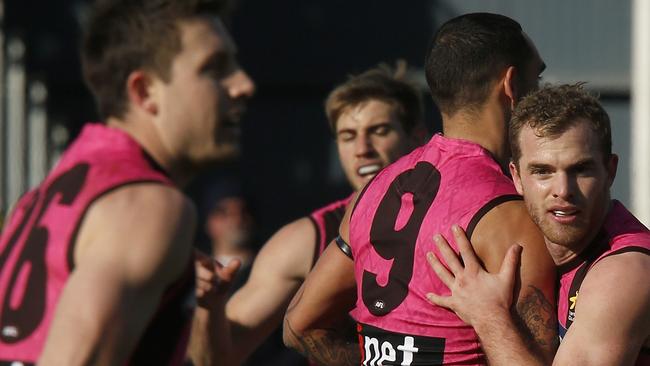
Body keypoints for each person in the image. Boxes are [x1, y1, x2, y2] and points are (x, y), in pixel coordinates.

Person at [283, 12, 557, 365]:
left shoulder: (373, 191)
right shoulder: (512, 216)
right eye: (539, 79)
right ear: (511, 86)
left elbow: (299, 326)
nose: (542, 94)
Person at [0, 0, 255, 364]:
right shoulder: (148, 204)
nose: (243, 84)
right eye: (214, 68)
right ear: (145, 91)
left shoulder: (39, 198)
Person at [190, 63, 428, 366]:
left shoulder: (456, 218)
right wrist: (208, 308)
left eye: (379, 131)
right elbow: (215, 360)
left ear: (417, 138)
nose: (362, 148)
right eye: (347, 135)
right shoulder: (304, 239)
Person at [426, 84, 650, 365]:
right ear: (516, 178)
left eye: (580, 169)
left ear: (610, 171)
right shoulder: (535, 247)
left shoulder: (624, 273)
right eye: (542, 172)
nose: (562, 190)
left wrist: (487, 316)